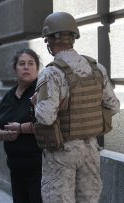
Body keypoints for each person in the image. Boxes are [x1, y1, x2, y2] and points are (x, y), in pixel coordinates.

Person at [32, 12, 120, 203]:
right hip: (91, 149)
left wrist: (36, 103)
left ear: (49, 40)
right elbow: (113, 106)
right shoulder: (96, 68)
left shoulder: (51, 73)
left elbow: (46, 117)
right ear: (73, 37)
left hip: (62, 152)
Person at [0, 48, 43, 203]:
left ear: (37, 68)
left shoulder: (41, 92)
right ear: (15, 69)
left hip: (38, 167)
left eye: (31, 63)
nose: (26, 67)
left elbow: (47, 123)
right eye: (22, 64)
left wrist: (20, 128)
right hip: (15, 166)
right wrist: (3, 134)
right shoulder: (9, 95)